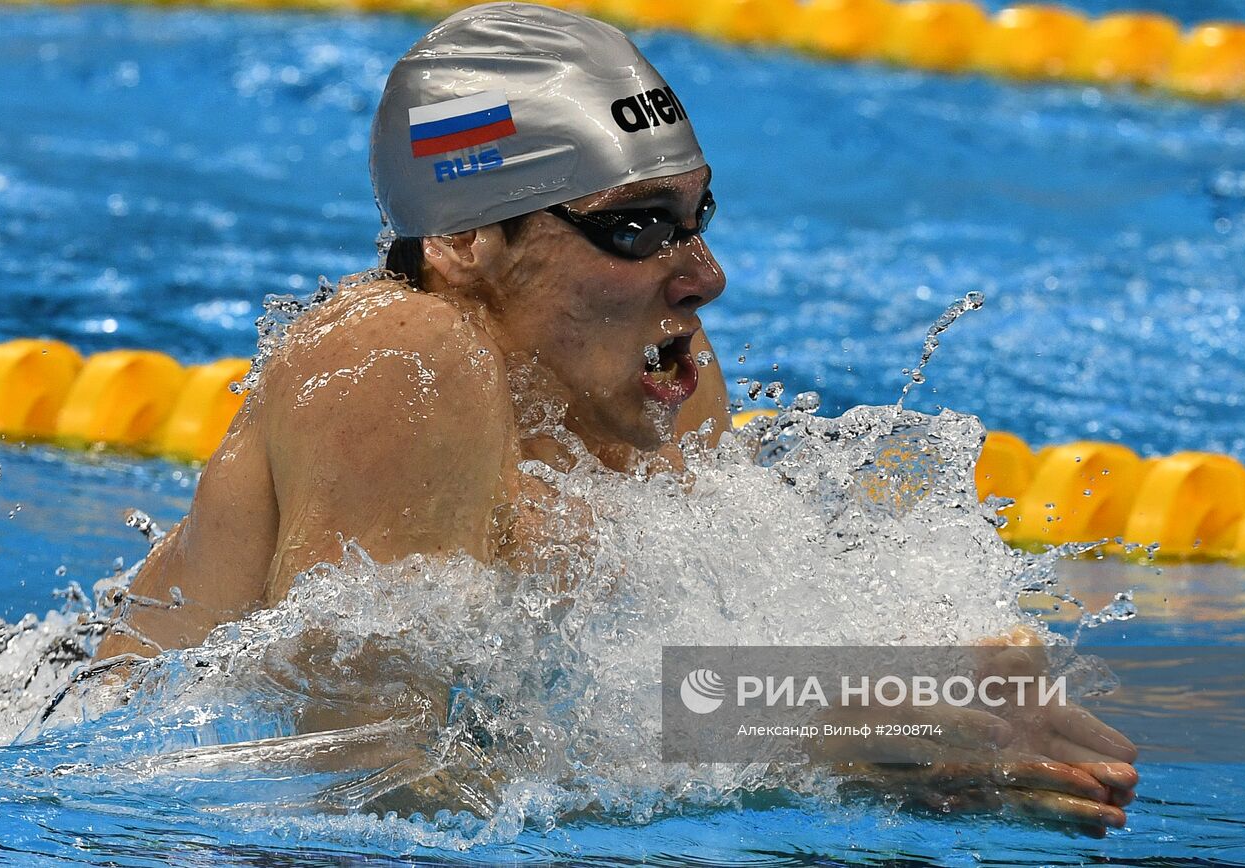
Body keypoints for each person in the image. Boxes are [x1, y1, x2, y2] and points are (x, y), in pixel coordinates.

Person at [95, 2, 1135, 835]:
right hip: (80, 767)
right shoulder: (404, 359)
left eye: (695, 219)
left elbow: (621, 692)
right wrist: (843, 738)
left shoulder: (651, 375)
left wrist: (910, 693)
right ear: (466, 241)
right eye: (636, 229)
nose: (703, 279)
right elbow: (356, 783)